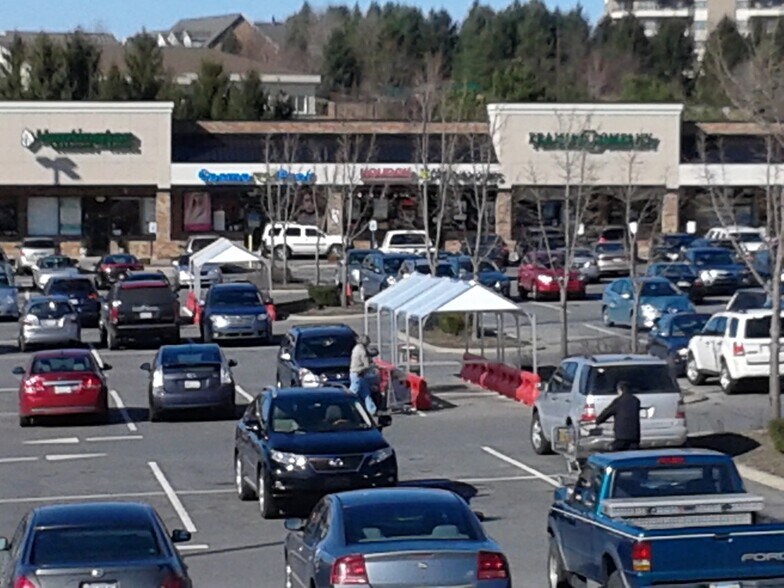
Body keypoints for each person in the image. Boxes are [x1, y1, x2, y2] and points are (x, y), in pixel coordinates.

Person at [595, 381, 641, 451]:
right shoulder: (636, 401)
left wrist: (598, 421)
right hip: (635, 436)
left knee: (615, 452)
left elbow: (607, 412)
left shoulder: (618, 401)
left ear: (620, 390)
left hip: (621, 436)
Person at [350, 334, 377, 415]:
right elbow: (366, 364)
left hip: (355, 373)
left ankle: (371, 409)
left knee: (365, 392)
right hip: (358, 373)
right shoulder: (362, 351)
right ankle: (348, 406)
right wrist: (373, 366)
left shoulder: (357, 348)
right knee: (353, 392)